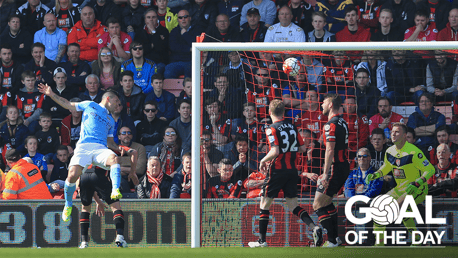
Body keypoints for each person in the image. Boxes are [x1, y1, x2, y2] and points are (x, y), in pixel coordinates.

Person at [38, 84, 139, 222]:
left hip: (99, 148)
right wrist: (51, 94)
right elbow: (68, 104)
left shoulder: (111, 120)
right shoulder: (90, 105)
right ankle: (68, 204)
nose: (117, 106)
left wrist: (118, 147)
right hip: (84, 146)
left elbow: (110, 142)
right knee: (72, 174)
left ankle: (115, 189)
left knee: (114, 159)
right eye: (116, 102)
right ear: (108, 99)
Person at [248, 99, 321, 248]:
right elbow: (302, 148)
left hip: (277, 170)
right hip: (292, 171)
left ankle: (262, 241)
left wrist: (263, 160)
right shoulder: (294, 128)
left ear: (269, 112)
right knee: (293, 205)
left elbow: (275, 150)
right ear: (283, 112)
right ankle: (315, 227)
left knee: (264, 203)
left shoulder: (271, 128)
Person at [365, 122, 435, 246]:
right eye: (392, 132)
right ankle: (380, 244)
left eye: (397, 132)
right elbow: (387, 166)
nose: (393, 134)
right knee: (378, 208)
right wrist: (376, 174)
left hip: (417, 189)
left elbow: (430, 170)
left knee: (396, 208)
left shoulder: (414, 152)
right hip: (400, 188)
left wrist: (418, 182)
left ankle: (417, 238)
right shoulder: (390, 151)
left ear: (404, 135)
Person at [78, 162, 128, 248]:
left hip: (84, 176)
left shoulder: (86, 153)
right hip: (99, 174)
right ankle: (120, 236)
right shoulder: (105, 152)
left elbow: (91, 183)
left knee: (85, 208)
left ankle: (84, 242)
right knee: (115, 206)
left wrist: (98, 202)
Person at [166, 9, 204, 79]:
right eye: (180, 17)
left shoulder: (198, 30)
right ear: (177, 20)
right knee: (168, 70)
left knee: (190, 69)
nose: (183, 19)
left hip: (192, 61)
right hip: (176, 62)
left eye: (185, 17)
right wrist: (189, 49)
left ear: (190, 18)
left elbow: (197, 44)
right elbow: (173, 47)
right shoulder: (174, 31)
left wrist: (185, 34)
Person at [117, 126, 146, 193]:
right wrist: (131, 168)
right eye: (124, 133)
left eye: (129, 133)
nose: (127, 135)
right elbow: (109, 168)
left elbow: (140, 170)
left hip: (136, 178)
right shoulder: (115, 148)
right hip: (119, 177)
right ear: (119, 136)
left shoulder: (140, 148)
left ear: (132, 136)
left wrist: (121, 169)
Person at [343, 96, 370, 161]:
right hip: (343, 149)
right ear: (343, 106)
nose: (349, 106)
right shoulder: (340, 118)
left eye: (351, 104)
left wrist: (353, 149)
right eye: (347, 104)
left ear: (356, 106)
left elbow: (364, 139)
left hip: (358, 149)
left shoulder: (362, 118)